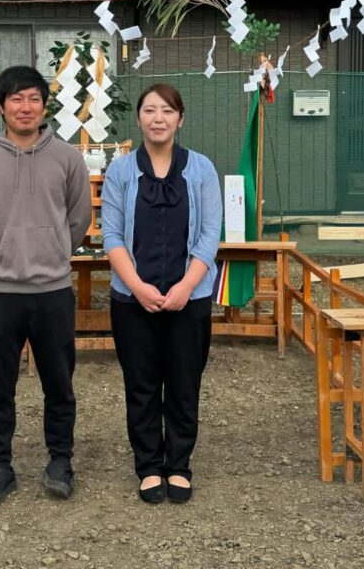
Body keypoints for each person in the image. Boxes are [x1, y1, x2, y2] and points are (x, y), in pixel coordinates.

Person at [0, 65, 92, 507]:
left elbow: (79, 218)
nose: (25, 107)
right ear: (1, 107)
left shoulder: (68, 159)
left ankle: (60, 460)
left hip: (52, 291)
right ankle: (0, 466)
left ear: (44, 104)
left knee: (59, 384)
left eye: (33, 98)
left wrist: (53, 252)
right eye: (16, 99)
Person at [101, 83, 221, 504]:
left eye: (167, 111)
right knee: (141, 384)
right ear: (139, 119)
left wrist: (188, 286)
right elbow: (111, 235)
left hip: (190, 300)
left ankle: (179, 465)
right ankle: (149, 465)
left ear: (180, 119)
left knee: (185, 383)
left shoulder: (202, 169)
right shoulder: (120, 171)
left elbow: (210, 235)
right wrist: (136, 286)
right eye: (150, 110)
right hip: (132, 301)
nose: (158, 118)